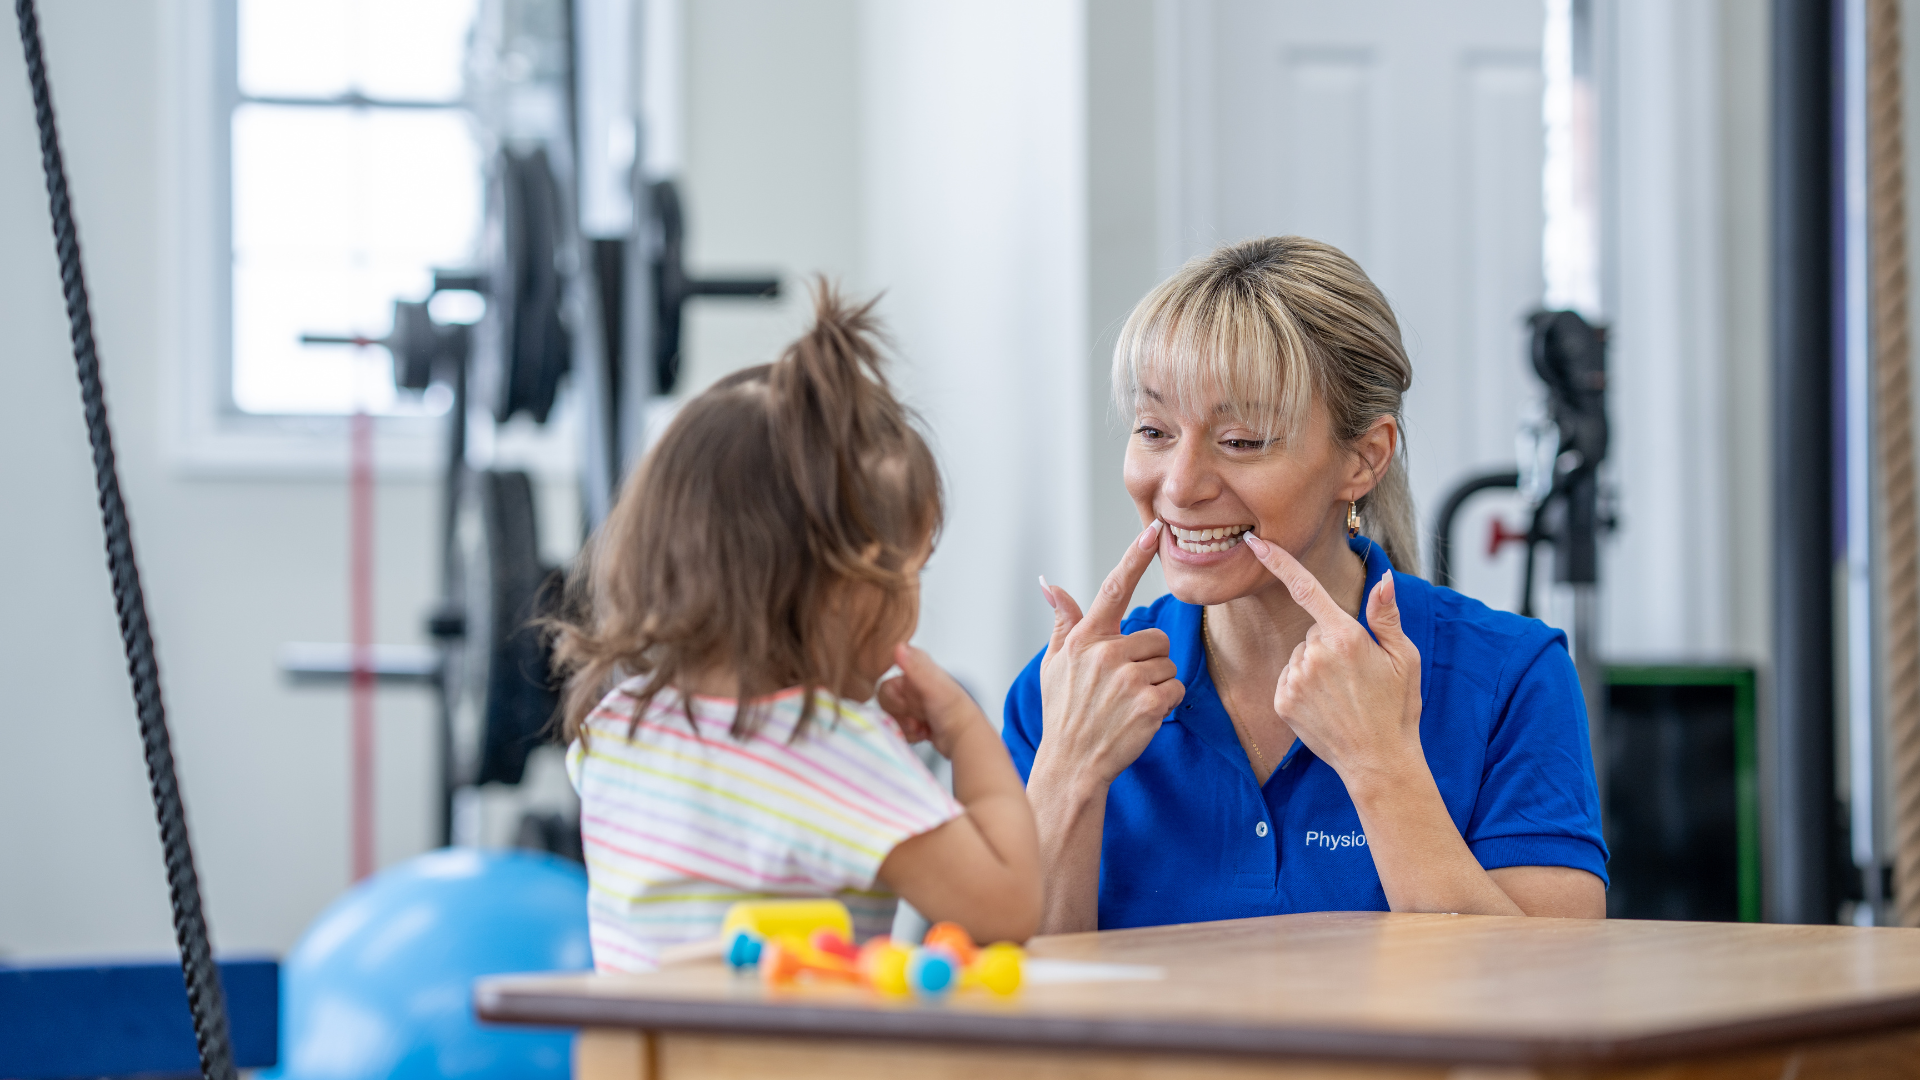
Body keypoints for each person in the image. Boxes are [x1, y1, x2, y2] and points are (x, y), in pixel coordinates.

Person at [1006, 237, 1607, 932]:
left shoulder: (1511, 678)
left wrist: (1380, 766)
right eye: (1153, 430)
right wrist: (1068, 775)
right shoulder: (1062, 691)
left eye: (1241, 441)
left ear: (1363, 459)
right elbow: (997, 1012)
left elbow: (1557, 996)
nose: (1178, 484)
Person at [552, 284, 1041, 972]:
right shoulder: (833, 748)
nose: (913, 603)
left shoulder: (617, 727)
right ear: (846, 587)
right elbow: (1011, 906)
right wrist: (964, 731)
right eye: (910, 574)